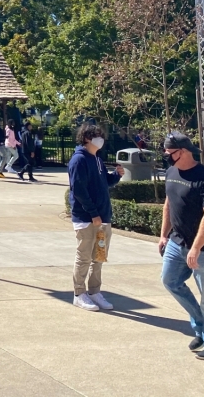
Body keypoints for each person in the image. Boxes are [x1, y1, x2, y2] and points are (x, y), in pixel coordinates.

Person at [159, 132, 204, 360]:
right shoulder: (171, 172)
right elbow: (169, 204)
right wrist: (163, 236)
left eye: (170, 152)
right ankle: (200, 324)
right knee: (170, 281)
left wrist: (196, 248)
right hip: (176, 243)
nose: (166, 156)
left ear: (184, 151)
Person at [68, 122, 124, 312]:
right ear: (86, 138)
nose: (101, 139)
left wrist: (116, 176)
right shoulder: (79, 160)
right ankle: (79, 293)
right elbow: (79, 191)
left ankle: (94, 291)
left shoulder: (97, 158)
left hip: (103, 217)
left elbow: (104, 182)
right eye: (97, 136)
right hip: (87, 218)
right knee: (84, 257)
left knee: (99, 256)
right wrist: (93, 213)